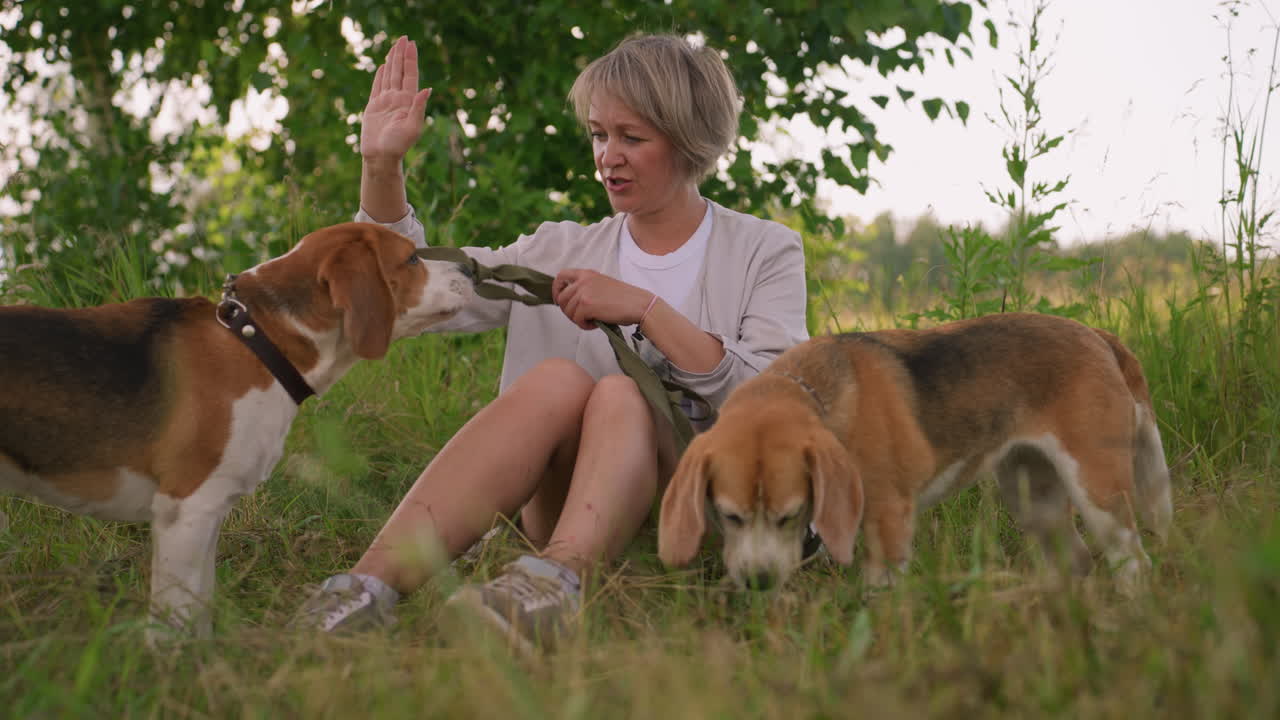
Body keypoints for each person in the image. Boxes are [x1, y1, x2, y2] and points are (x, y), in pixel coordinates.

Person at [294, 33, 808, 650]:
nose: (607, 157)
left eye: (632, 138)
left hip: (687, 517)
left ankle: (552, 585)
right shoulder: (561, 248)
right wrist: (382, 167)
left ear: (689, 139)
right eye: (598, 134)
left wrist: (646, 309)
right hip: (556, 503)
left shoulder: (765, 250)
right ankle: (364, 591)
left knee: (619, 394)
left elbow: (772, 403)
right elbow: (422, 285)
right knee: (561, 382)